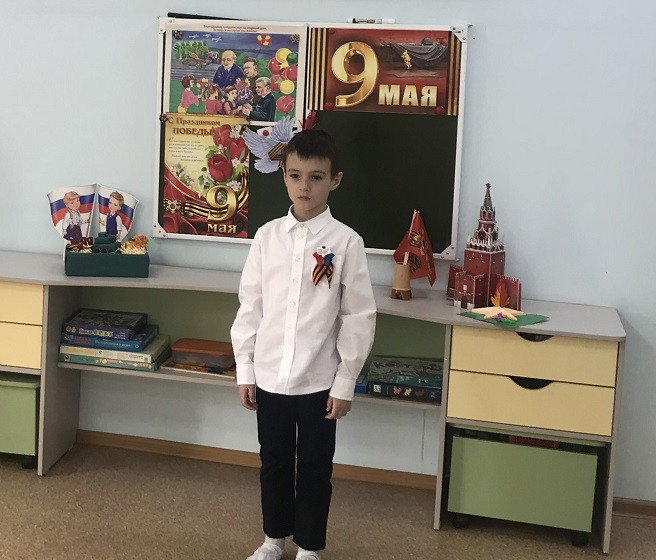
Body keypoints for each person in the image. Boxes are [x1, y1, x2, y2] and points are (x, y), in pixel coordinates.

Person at [230, 129, 376, 560]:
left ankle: (309, 547)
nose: (304, 186)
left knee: (315, 466)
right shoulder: (266, 237)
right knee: (273, 461)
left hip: (318, 380)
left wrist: (345, 381)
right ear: (283, 177)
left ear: (335, 180)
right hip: (270, 375)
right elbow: (250, 306)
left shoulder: (347, 243)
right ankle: (273, 539)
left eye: (316, 177)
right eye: (295, 176)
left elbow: (358, 316)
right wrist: (245, 368)